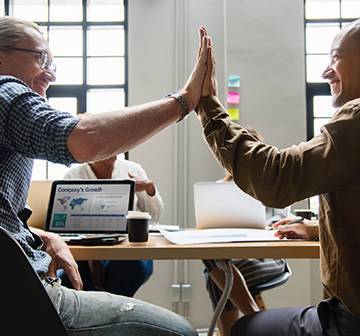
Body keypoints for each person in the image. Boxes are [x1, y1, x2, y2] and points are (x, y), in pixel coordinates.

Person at [0, 15, 210, 335]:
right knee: (178, 330)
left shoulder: (132, 169)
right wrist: (183, 101)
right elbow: (85, 139)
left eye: (52, 61)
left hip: (27, 273)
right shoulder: (5, 92)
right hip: (20, 294)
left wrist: (39, 236)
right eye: (40, 57)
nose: (50, 72)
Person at [195, 23, 360, 335]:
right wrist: (314, 228)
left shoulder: (356, 119)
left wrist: (206, 104)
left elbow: (276, 176)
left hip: (350, 322)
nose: (326, 72)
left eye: (336, 58)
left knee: (246, 329)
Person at [203, 128, 288, 336]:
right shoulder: (219, 189)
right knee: (214, 263)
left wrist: (267, 226)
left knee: (214, 275)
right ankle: (255, 319)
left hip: (268, 258)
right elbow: (210, 222)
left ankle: (247, 321)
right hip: (234, 256)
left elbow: (282, 221)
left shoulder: (273, 183)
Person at [61, 153, 163, 296]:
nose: (113, 149)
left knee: (131, 266)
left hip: (126, 246)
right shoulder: (73, 176)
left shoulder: (132, 170)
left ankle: (114, 310)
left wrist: (149, 187)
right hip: (87, 246)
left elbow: (154, 215)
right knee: (70, 272)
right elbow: (66, 220)